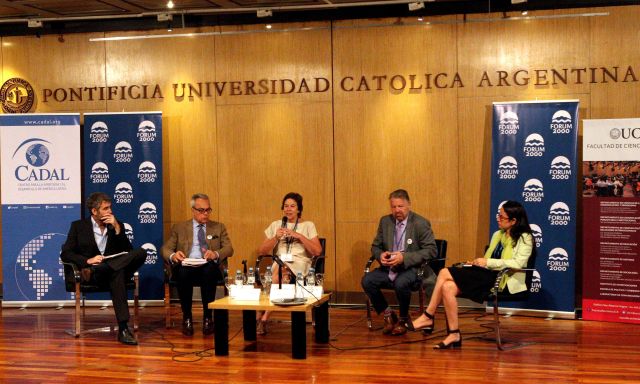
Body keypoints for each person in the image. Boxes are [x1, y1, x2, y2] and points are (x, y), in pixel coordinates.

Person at [411, 200, 533, 349]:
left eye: (502, 217)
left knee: (444, 272)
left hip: (503, 280)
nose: (498, 219)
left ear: (514, 221)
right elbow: (489, 258)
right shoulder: (497, 235)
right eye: (498, 216)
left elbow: (518, 263)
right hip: (486, 274)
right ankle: (454, 334)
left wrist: (487, 262)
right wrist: (476, 263)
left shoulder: (524, 237)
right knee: (448, 287)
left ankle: (428, 316)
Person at [60, 192, 147, 345]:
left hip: (105, 270)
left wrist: (117, 228)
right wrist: (88, 260)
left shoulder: (116, 224)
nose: (110, 211)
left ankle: (123, 328)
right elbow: (66, 253)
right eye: (105, 208)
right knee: (117, 272)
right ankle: (123, 330)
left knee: (141, 253)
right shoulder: (78, 226)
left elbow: (128, 252)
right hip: (93, 274)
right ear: (94, 211)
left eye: (110, 208)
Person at [361, 189, 437, 336]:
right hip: (389, 268)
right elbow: (375, 246)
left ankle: (403, 318)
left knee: (401, 283)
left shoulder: (420, 223)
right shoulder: (385, 221)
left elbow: (432, 250)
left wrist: (405, 257)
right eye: (394, 207)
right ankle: (389, 314)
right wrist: (380, 254)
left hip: (412, 269)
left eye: (400, 206)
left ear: (409, 205)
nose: (397, 210)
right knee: (367, 280)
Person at [161, 193, 234, 336]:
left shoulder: (218, 227)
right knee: (182, 273)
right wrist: (173, 255)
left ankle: (208, 317)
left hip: (208, 265)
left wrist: (215, 254)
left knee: (209, 271)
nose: (205, 214)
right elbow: (165, 248)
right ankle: (187, 317)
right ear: (193, 210)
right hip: (186, 264)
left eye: (208, 210)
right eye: (201, 210)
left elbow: (229, 249)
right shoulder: (180, 227)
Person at [256, 192, 322, 335]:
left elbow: (317, 251)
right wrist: (275, 237)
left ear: (299, 209)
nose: (289, 209)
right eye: (286, 206)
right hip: (280, 262)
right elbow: (261, 251)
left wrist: (299, 236)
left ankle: (262, 316)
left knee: (279, 272)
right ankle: (264, 318)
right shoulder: (276, 225)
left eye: (292, 206)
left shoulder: (308, 225)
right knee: (280, 271)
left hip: (300, 263)